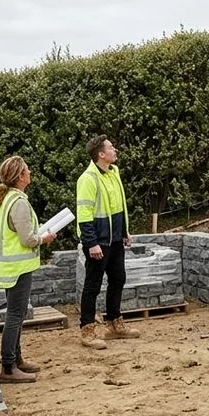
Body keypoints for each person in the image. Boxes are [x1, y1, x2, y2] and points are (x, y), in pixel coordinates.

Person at [0, 155, 56, 383]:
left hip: (8, 268)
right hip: (17, 268)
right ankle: (8, 367)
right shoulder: (18, 202)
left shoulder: (6, 199)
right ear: (20, 176)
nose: (30, 172)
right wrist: (45, 238)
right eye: (27, 170)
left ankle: (16, 360)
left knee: (14, 315)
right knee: (15, 316)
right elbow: (27, 238)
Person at [76, 135, 140, 348]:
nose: (116, 150)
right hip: (98, 241)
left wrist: (125, 231)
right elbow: (84, 214)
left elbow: (118, 206)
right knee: (92, 285)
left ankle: (114, 322)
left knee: (118, 279)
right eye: (111, 148)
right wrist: (91, 242)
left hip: (114, 240)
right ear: (101, 154)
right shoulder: (88, 179)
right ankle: (87, 330)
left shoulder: (114, 173)